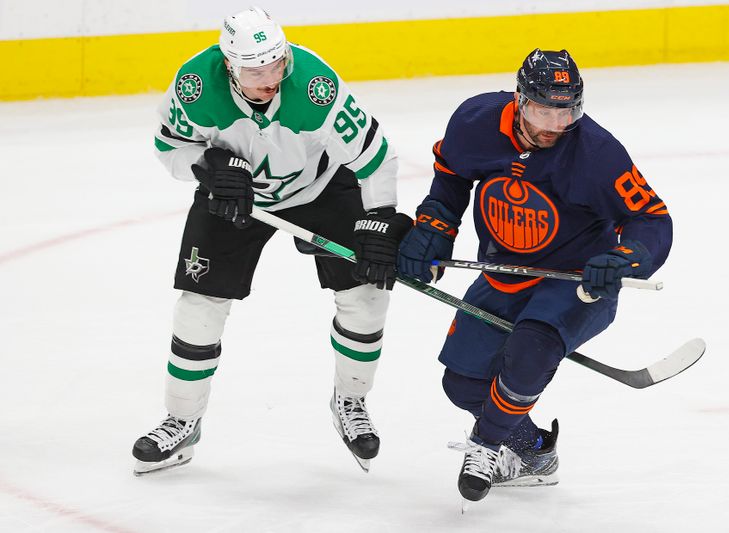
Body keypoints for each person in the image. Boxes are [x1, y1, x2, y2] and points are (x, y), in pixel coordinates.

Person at [132, 6, 412, 475]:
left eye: (276, 64)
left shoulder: (316, 89)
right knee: (199, 305)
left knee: (365, 295)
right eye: (255, 70)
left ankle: (352, 400)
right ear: (228, 66)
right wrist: (208, 167)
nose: (270, 78)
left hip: (320, 190)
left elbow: (376, 157)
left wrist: (380, 219)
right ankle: (181, 421)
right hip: (233, 196)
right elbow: (169, 148)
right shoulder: (195, 87)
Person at [396, 49, 672, 502]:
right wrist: (435, 226)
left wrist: (625, 260)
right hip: (506, 271)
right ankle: (533, 452)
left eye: (566, 113)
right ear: (520, 100)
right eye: (544, 111)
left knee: (531, 346)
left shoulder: (597, 153)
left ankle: (485, 444)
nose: (554, 125)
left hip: (576, 280)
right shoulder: (475, 121)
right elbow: (451, 174)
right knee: (462, 383)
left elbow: (652, 220)